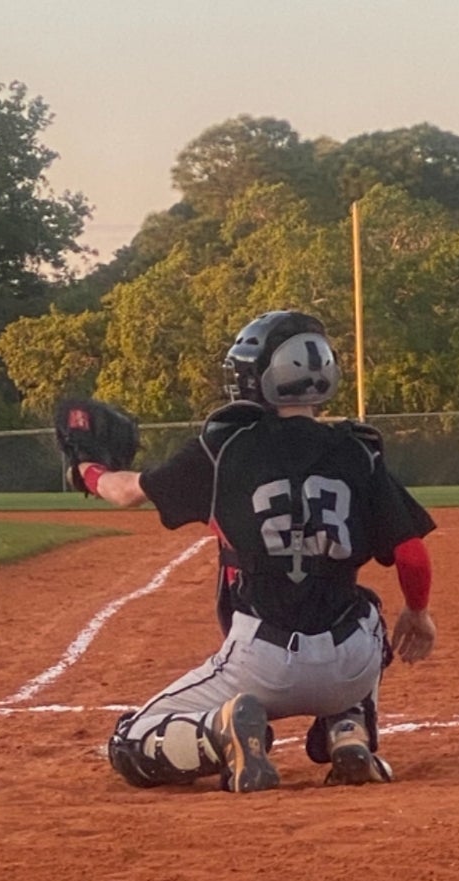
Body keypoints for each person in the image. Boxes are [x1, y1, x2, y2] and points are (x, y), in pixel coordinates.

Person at [76, 310, 437, 793]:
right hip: (350, 664)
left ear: (264, 377)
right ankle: (349, 733)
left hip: (262, 663)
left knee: (130, 741)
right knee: (365, 610)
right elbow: (412, 554)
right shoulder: (359, 449)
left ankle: (219, 733)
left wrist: (87, 470)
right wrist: (418, 612)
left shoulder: (226, 447)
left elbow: (126, 492)